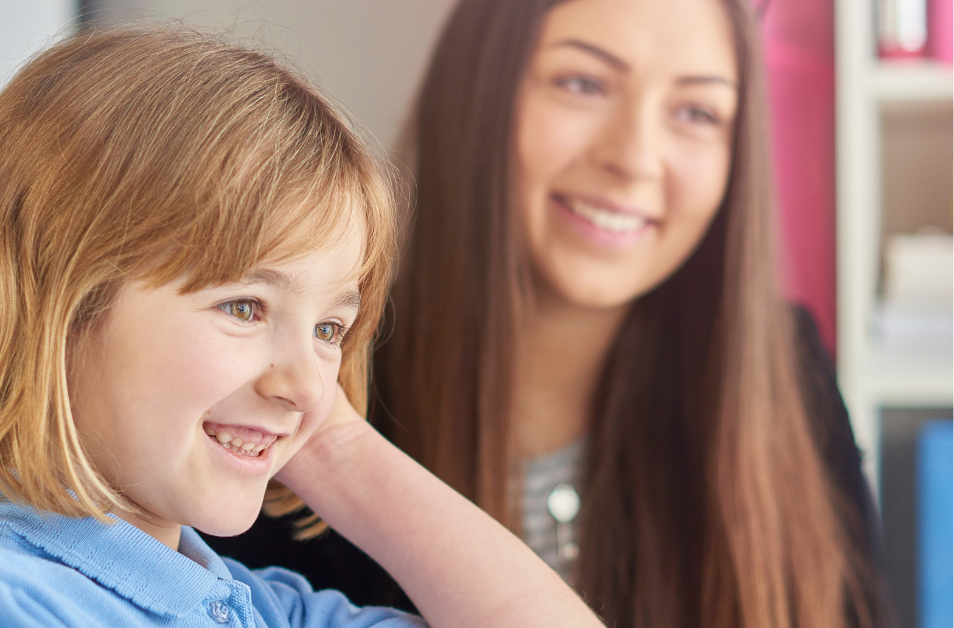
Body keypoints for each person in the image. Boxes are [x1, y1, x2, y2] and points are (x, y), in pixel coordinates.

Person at [0, 25, 603, 628]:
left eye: (330, 329)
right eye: (246, 306)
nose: (307, 382)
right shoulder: (3, 608)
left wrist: (336, 449)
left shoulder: (269, 611)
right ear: (60, 310)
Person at [205, 0, 893, 626]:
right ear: (478, 90)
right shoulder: (300, 391)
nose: (633, 158)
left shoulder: (785, 369)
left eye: (697, 113)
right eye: (583, 84)